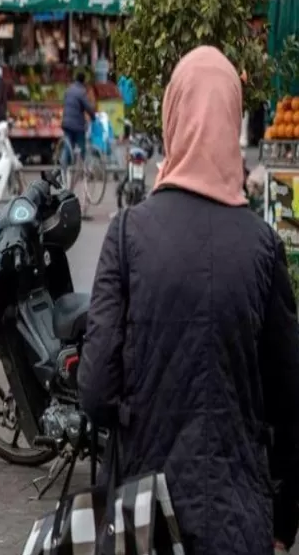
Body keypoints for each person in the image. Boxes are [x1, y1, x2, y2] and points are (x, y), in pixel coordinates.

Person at [79, 46, 299, 555]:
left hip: (146, 517)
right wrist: (284, 524)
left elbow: (94, 390)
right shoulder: (263, 247)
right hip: (240, 519)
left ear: (173, 115)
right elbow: (290, 401)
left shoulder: (128, 233)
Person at [60, 71, 96, 168]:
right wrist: (93, 117)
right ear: (83, 81)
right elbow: (88, 107)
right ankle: (81, 168)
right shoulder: (81, 92)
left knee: (68, 146)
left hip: (66, 123)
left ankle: (62, 169)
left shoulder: (68, 90)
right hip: (77, 125)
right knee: (81, 147)